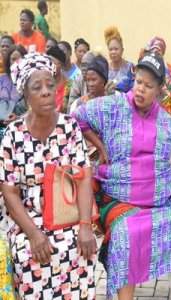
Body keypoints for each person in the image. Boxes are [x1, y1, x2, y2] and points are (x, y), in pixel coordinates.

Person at [72, 52, 171, 300]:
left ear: (159, 90)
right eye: (138, 82)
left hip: (160, 199)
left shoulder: (168, 123)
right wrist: (99, 146)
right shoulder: (113, 106)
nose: (141, 89)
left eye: (148, 86)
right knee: (126, 233)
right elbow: (78, 117)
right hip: (120, 199)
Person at [0, 52, 97, 299]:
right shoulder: (13, 135)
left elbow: (84, 176)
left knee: (81, 248)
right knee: (27, 255)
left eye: (50, 85)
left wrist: (86, 226)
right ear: (25, 95)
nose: (45, 91)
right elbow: (9, 190)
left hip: (67, 212)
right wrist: (33, 234)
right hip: (28, 217)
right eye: (37, 87)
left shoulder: (69, 127)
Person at [0, 45, 29, 140]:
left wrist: (19, 119)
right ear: (8, 61)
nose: (16, 62)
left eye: (19, 59)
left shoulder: (30, 81)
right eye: (13, 59)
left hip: (23, 130)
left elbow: (34, 109)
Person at [104, 26, 135, 93]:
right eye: (110, 49)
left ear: (122, 50)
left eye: (116, 49)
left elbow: (134, 89)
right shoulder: (104, 67)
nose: (113, 52)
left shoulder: (130, 67)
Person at [46, 46, 71, 113]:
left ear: (61, 65)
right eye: (49, 63)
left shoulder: (69, 84)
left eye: (55, 63)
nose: (51, 66)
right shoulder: (43, 84)